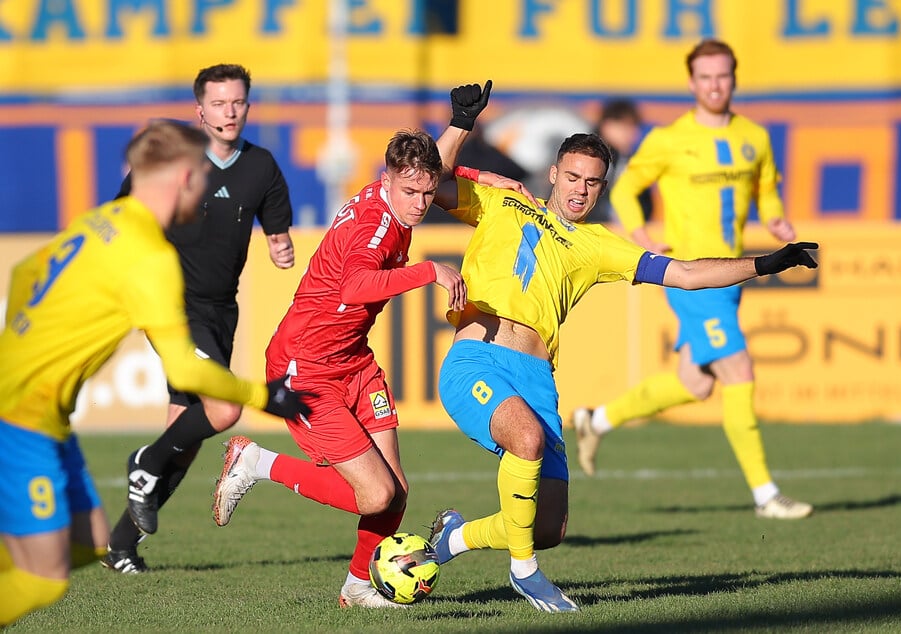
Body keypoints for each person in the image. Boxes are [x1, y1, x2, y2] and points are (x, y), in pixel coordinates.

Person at [426, 132, 818, 612]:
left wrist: (763, 264)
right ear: (553, 173)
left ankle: (454, 538)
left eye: (592, 183)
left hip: (536, 378)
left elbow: (688, 274)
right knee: (524, 440)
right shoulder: (500, 201)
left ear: (603, 187)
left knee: (547, 528)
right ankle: (524, 573)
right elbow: (432, 182)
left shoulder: (599, 245)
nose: (579, 190)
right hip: (477, 357)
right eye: (571, 177)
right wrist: (461, 124)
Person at [209, 81, 532, 609]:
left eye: (429, 194)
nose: (422, 204)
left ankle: (357, 586)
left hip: (352, 361)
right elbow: (354, 287)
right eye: (412, 194)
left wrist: (462, 129)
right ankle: (256, 461)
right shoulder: (372, 228)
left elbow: (434, 168)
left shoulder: (401, 194)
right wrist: (428, 270)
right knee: (375, 494)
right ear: (388, 180)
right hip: (304, 369)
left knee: (396, 493)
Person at [0, 120, 311, 627]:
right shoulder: (149, 254)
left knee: (87, 541)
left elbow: (23, 272)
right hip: (20, 414)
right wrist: (263, 395)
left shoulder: (103, 219)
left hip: (43, 415)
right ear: (184, 176)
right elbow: (187, 365)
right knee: (43, 577)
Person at [572, 39, 814, 520]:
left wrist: (777, 221)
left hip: (734, 277)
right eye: (705, 77)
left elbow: (766, 189)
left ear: (734, 78)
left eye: (722, 75)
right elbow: (628, 189)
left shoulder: (755, 138)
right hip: (694, 279)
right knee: (739, 372)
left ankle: (596, 419)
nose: (715, 85)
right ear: (692, 83)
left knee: (697, 383)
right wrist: (641, 235)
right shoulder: (668, 139)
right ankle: (766, 495)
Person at [103, 63, 297, 574]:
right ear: (200, 110)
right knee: (225, 407)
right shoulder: (173, 161)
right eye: (218, 103)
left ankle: (120, 545)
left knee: (182, 442)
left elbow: (278, 234)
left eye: (237, 102)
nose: (229, 111)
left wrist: (281, 247)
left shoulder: (261, 166)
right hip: (170, 306)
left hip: (219, 313)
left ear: (247, 106)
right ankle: (143, 462)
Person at [586, 99, 653, 224]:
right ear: (606, 126)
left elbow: (646, 208)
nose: (632, 134)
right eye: (625, 127)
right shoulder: (584, 157)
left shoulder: (633, 162)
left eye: (634, 127)